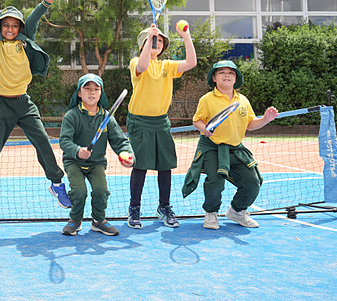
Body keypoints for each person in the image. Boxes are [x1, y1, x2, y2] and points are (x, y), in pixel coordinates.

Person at [0, 0, 71, 221]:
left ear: (20, 28)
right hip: (0, 104)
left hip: (24, 103)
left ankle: (57, 183)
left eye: (14, 26)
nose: (9, 29)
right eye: (5, 25)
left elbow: (36, 15)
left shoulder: (24, 40)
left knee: (43, 142)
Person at [182, 60, 278, 229]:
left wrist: (266, 119)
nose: (227, 75)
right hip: (212, 147)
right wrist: (204, 129)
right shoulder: (207, 99)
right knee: (215, 181)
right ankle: (211, 213)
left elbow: (250, 124)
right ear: (214, 78)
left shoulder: (242, 100)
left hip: (236, 148)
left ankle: (237, 212)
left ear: (236, 79)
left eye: (231, 73)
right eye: (221, 72)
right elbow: (197, 121)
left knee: (252, 182)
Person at [126, 23, 196, 229]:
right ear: (143, 45)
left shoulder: (167, 66)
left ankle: (164, 207)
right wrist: (150, 36)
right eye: (152, 40)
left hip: (161, 122)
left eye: (159, 41)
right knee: (140, 166)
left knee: (165, 166)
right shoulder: (136, 62)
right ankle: (134, 209)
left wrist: (186, 36)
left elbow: (191, 62)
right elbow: (143, 66)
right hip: (139, 121)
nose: (157, 43)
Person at [59, 74, 134, 236]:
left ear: (101, 94)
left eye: (96, 89)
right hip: (74, 162)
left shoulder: (107, 118)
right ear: (79, 93)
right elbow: (64, 141)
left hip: (97, 163)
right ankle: (75, 220)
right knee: (79, 192)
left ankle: (98, 221)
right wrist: (78, 150)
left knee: (101, 191)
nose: (91, 93)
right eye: (87, 89)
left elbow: (120, 141)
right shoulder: (71, 116)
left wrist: (126, 154)